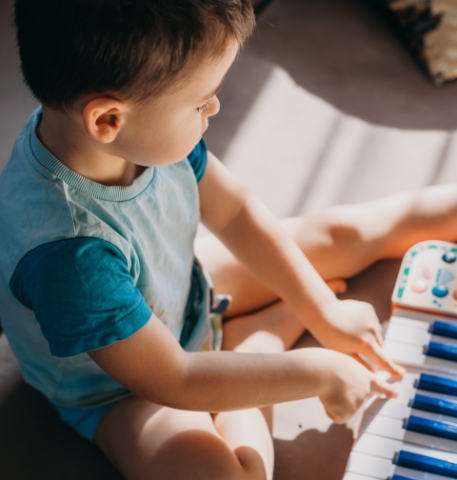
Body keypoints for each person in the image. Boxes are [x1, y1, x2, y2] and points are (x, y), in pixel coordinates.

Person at [0, 0, 433, 479]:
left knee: (345, 233)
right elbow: (176, 378)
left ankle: (248, 342)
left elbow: (237, 211)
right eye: (201, 102)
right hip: (122, 390)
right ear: (106, 120)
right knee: (231, 474)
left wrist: (322, 311)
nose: (214, 108)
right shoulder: (70, 258)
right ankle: (256, 343)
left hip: (181, 289)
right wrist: (321, 372)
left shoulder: (134, 131)